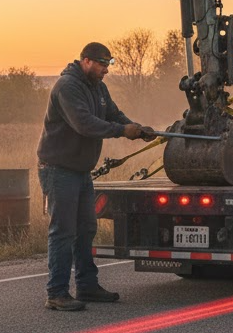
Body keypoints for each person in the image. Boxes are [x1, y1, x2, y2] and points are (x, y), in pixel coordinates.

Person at [36, 41, 155, 311]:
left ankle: (87, 286)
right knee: (63, 231)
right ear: (86, 61)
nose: (106, 70)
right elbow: (85, 124)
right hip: (58, 169)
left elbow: (113, 113)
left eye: (108, 65)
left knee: (86, 229)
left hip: (80, 171)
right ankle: (56, 293)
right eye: (102, 64)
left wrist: (135, 128)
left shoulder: (98, 87)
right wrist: (121, 131)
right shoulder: (67, 87)